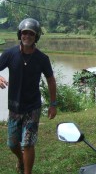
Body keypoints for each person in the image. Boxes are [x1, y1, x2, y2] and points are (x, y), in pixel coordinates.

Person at [0, 18, 57, 174]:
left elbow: (51, 80)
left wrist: (53, 104)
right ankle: (20, 159)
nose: (27, 36)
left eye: (31, 34)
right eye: (24, 33)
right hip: (14, 107)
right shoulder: (10, 54)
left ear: (36, 36)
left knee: (28, 144)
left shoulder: (42, 58)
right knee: (12, 144)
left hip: (32, 107)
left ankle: (27, 172)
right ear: (20, 34)